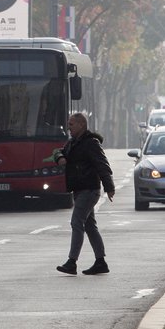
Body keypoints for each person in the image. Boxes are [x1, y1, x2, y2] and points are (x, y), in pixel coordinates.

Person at [55, 112, 115, 276]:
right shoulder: (73, 143)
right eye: (68, 125)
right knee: (90, 226)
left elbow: (102, 165)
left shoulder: (91, 143)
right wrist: (59, 157)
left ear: (82, 125)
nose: (69, 128)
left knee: (76, 222)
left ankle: (71, 262)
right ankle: (101, 262)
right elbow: (59, 151)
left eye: (71, 125)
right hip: (80, 189)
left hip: (89, 189)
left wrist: (109, 187)